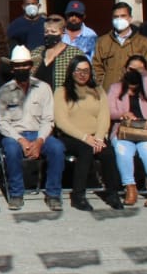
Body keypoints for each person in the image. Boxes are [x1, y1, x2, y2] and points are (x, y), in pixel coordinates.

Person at [0, 46, 63, 211]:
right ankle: (17, 194)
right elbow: (2, 123)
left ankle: (53, 194)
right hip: (15, 135)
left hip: (39, 133)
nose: (21, 68)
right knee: (11, 150)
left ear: (31, 65)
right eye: (17, 65)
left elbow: (48, 119)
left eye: (24, 64)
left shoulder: (44, 88)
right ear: (12, 68)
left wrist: (40, 140)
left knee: (57, 148)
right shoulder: (4, 90)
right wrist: (21, 140)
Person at [53, 56, 124, 211]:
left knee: (108, 153)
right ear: (71, 72)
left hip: (95, 136)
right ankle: (78, 196)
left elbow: (104, 116)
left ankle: (113, 193)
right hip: (72, 137)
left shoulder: (98, 91)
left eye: (86, 70)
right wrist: (85, 138)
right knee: (85, 150)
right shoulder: (62, 91)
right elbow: (61, 121)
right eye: (78, 70)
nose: (82, 74)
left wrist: (99, 137)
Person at [106, 55, 147, 208]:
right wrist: (122, 114)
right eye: (132, 69)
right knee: (122, 150)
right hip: (124, 131)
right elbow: (109, 111)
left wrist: (144, 75)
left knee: (146, 150)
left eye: (139, 69)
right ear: (125, 69)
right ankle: (130, 187)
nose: (135, 72)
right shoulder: (115, 88)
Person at [92, 2, 147, 90]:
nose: (119, 19)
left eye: (123, 16)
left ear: (130, 18)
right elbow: (96, 67)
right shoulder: (102, 41)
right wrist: (101, 86)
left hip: (134, 93)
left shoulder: (142, 42)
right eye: (116, 17)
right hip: (109, 93)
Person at [32, 15, 85, 91]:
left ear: (62, 33)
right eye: (46, 32)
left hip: (61, 99)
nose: (49, 34)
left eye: (53, 31)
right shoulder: (36, 53)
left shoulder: (74, 54)